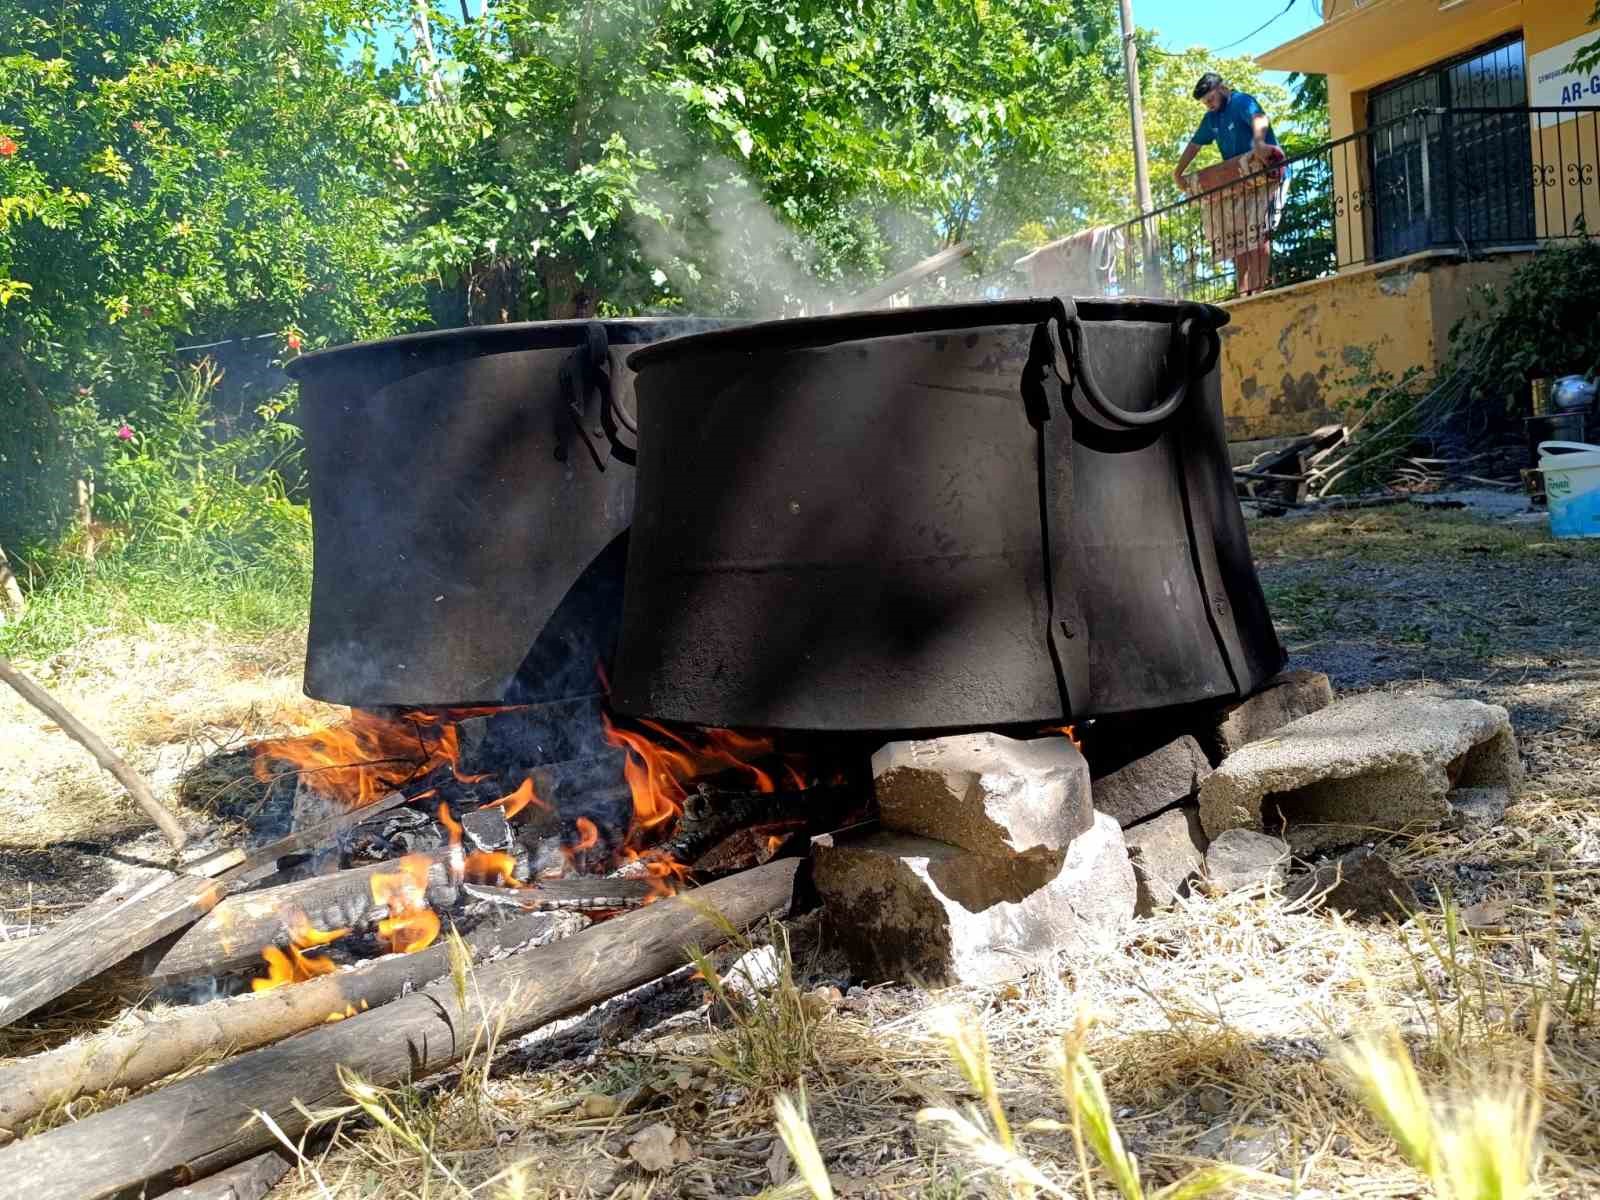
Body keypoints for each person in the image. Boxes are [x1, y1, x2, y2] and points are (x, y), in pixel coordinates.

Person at [1173, 72, 1283, 296]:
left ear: (1222, 88)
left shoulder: (1242, 101)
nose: (1209, 105)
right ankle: (1242, 293)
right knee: (1239, 237)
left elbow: (1259, 118)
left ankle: (1258, 291)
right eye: (1205, 103)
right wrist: (1178, 173)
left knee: (1259, 232)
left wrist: (1260, 144)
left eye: (1211, 99)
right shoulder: (1212, 118)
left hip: (1268, 174)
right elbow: (1194, 145)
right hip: (1240, 180)